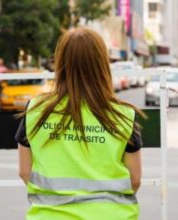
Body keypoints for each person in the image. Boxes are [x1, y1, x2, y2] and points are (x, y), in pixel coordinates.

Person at [16, 27, 143, 220]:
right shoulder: (124, 115)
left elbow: (25, 172)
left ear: (61, 62)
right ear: (102, 64)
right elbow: (134, 180)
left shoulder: (35, 110)